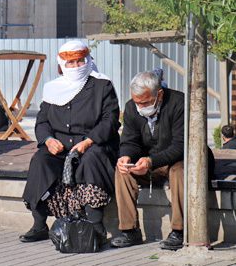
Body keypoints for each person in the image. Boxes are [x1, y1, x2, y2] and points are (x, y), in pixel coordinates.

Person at [20, 40, 120, 243]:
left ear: (87, 60)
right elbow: (42, 121)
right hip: (61, 147)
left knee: (92, 160)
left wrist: (88, 141)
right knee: (41, 161)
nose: (76, 67)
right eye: (71, 63)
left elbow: (110, 120)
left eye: (80, 61)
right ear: (62, 64)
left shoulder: (102, 85)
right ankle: (39, 224)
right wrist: (48, 140)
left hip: (92, 145)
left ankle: (96, 226)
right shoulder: (52, 88)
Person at [110, 71, 186, 250]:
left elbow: (180, 145)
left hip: (177, 159)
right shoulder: (131, 108)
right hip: (148, 160)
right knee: (122, 171)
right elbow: (130, 140)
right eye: (137, 102)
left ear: (159, 94)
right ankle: (129, 230)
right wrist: (126, 156)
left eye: (144, 102)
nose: (140, 106)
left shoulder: (179, 103)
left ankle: (179, 230)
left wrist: (151, 161)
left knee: (179, 172)